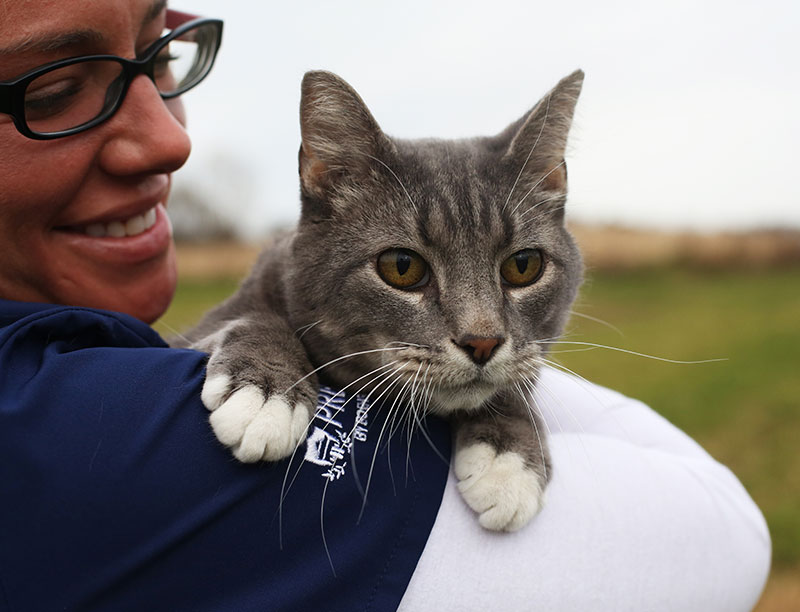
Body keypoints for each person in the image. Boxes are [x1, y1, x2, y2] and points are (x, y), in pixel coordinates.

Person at [0, 2, 771, 611]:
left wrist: (502, 396)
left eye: (161, 52)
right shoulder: (70, 447)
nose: (480, 329)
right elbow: (725, 538)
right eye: (53, 87)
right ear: (322, 187)